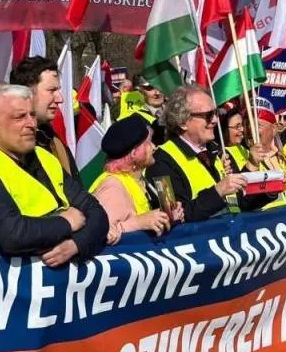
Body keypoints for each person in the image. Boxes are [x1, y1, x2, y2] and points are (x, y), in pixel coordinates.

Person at [0, 84, 109, 262]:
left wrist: (77, 244)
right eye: (20, 117)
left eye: (33, 115)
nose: (31, 124)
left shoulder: (45, 157)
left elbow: (97, 214)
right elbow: (12, 234)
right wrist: (66, 222)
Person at [146, 85, 247, 220]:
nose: (215, 120)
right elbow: (172, 216)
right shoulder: (159, 162)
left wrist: (268, 190)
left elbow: (240, 203)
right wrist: (218, 192)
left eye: (215, 113)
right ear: (183, 122)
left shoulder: (217, 151)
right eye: (208, 115)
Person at [90, 116, 179, 239]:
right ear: (134, 153)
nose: (154, 147)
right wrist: (138, 223)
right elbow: (99, 235)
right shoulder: (113, 187)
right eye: (149, 142)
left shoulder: (140, 179)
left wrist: (170, 216)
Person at [10, 56, 73, 174]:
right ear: (26, 93)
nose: (60, 99)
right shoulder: (12, 151)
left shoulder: (51, 138)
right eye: (51, 90)